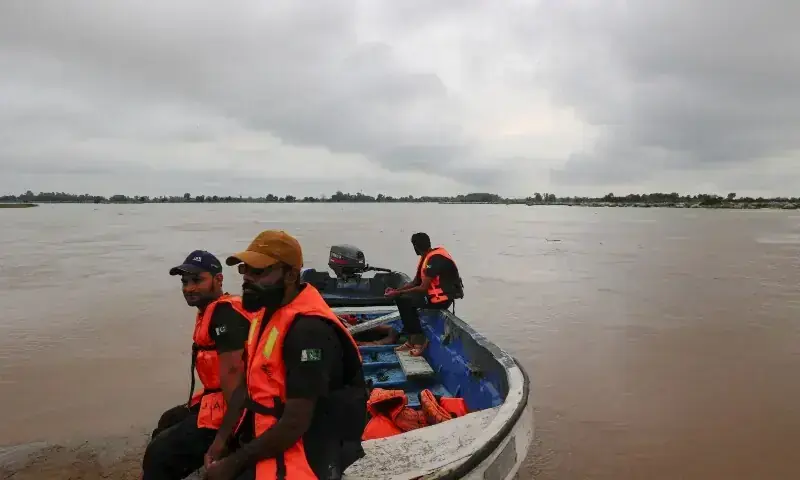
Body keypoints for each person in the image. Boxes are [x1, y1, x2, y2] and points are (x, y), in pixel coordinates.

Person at [203, 230, 368, 480]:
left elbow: (295, 422)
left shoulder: (309, 331)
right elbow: (246, 387)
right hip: (271, 429)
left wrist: (233, 464)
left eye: (259, 272)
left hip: (310, 445)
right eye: (244, 270)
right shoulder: (264, 314)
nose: (247, 279)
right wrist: (221, 439)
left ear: (290, 275)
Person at [141, 250, 258, 480]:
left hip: (235, 407)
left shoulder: (224, 315)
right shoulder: (213, 310)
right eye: (184, 282)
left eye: (197, 280)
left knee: (159, 454)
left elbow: (234, 378)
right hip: (214, 397)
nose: (188, 288)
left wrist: (225, 437)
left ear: (219, 279)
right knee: (168, 420)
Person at [384, 232, 463, 356]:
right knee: (401, 298)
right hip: (432, 296)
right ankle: (411, 339)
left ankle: (418, 341)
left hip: (442, 299)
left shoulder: (434, 259)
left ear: (415, 246)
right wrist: (397, 291)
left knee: (405, 301)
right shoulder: (425, 257)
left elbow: (423, 288)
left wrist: (399, 294)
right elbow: (416, 282)